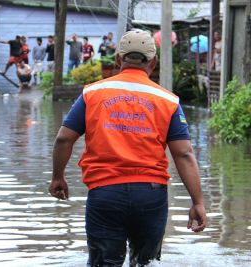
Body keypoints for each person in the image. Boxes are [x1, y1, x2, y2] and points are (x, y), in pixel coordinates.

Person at [49, 29, 207, 266]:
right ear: (153, 63)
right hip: (150, 196)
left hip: (104, 194)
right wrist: (197, 202)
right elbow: (183, 154)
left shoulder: (92, 93)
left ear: (118, 60)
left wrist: (57, 177)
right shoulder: (168, 101)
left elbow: (63, 139)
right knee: (146, 263)